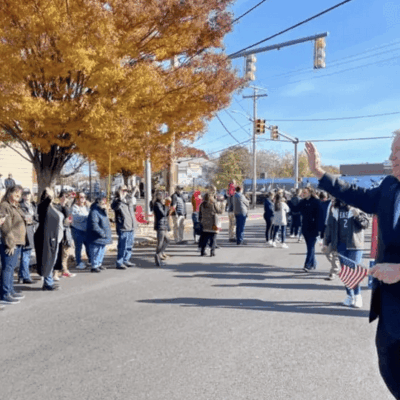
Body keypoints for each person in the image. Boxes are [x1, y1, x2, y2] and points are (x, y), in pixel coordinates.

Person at [305, 135, 400, 399]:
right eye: (391, 151)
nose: (392, 157)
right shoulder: (390, 185)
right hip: (392, 304)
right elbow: (355, 195)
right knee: (388, 359)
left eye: (398, 151)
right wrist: (320, 173)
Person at [323, 199, 369, 307]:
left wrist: (357, 215)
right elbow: (330, 226)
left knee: (353, 270)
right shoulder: (335, 208)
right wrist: (326, 242)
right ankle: (349, 295)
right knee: (345, 271)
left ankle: (357, 296)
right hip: (340, 244)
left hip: (355, 244)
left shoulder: (358, 205)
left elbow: (366, 224)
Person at [0, 185, 27, 304]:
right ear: (9, 193)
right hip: (11, 242)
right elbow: (6, 227)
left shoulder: (16, 206)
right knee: (8, 268)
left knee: (11, 268)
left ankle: (10, 290)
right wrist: (10, 244)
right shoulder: (5, 206)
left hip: (18, 241)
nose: (18, 196)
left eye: (20, 194)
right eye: (16, 194)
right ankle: (5, 293)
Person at [34, 187, 64, 291]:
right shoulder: (43, 206)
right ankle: (48, 283)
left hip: (55, 238)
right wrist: (50, 194)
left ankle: (48, 281)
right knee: (48, 260)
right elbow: (47, 201)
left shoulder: (53, 207)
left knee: (52, 260)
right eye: (47, 194)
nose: (50, 195)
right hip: (46, 238)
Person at [292, 187, 320, 271]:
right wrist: (290, 201)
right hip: (305, 227)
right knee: (309, 247)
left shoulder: (316, 202)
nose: (303, 193)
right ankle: (313, 263)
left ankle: (307, 265)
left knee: (310, 247)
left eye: (305, 192)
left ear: (310, 193)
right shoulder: (302, 202)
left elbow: (320, 216)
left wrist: (320, 228)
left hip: (314, 227)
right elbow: (295, 210)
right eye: (303, 192)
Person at [111, 185, 136, 269]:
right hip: (123, 227)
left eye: (126, 190)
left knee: (129, 245)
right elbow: (114, 207)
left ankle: (126, 260)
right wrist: (120, 198)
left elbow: (133, 208)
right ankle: (119, 262)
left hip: (131, 226)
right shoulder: (117, 200)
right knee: (122, 246)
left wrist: (134, 191)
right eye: (123, 190)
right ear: (119, 191)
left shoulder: (128, 199)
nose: (125, 191)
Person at [86, 197, 113, 273]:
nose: (105, 204)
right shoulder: (94, 211)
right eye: (103, 203)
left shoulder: (102, 211)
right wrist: (102, 233)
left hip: (103, 236)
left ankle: (99, 264)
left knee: (101, 250)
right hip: (96, 236)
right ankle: (94, 266)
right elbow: (94, 224)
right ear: (99, 203)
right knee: (95, 251)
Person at [18, 189, 38, 284]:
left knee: (26, 255)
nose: (26, 196)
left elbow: (36, 218)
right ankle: (25, 277)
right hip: (25, 232)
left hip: (32, 231)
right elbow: (24, 219)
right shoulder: (20, 205)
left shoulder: (33, 205)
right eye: (24, 194)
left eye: (28, 194)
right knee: (25, 255)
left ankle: (21, 276)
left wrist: (33, 222)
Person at [55, 191, 76, 278]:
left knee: (66, 252)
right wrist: (63, 205)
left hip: (67, 231)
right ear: (59, 198)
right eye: (62, 197)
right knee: (59, 253)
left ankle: (64, 270)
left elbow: (69, 219)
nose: (64, 198)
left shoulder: (68, 207)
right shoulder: (56, 207)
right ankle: (58, 272)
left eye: (66, 197)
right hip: (59, 232)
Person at [198, 192, 224, 256]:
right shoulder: (213, 204)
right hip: (212, 224)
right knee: (213, 238)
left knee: (204, 238)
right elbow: (219, 211)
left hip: (204, 224)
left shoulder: (202, 205)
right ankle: (212, 252)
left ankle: (202, 251)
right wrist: (222, 206)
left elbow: (200, 215)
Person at [71, 191, 90, 270]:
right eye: (81, 197)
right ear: (77, 199)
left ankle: (91, 260)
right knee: (78, 247)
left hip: (86, 230)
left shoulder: (86, 207)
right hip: (77, 230)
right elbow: (76, 218)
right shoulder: (74, 207)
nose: (83, 199)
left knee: (88, 246)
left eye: (84, 197)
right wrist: (86, 217)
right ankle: (79, 262)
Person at [153, 191, 171, 267]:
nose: (163, 198)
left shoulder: (161, 204)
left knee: (167, 240)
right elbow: (163, 214)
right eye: (162, 196)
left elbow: (166, 214)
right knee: (160, 243)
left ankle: (160, 254)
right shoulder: (157, 204)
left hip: (164, 225)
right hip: (160, 225)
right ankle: (157, 256)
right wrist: (166, 206)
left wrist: (168, 207)